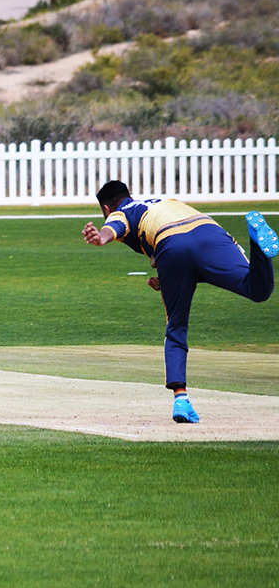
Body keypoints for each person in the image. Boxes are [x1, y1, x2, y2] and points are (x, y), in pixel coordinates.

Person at [82, 180, 277, 423]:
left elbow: (115, 227)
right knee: (257, 289)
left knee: (176, 326)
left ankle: (181, 400)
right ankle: (258, 245)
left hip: (171, 244)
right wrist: (166, 275)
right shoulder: (161, 202)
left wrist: (101, 238)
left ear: (106, 209)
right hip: (208, 230)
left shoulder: (121, 212)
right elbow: (190, 252)